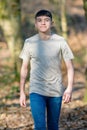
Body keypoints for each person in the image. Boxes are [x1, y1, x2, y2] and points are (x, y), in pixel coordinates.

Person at [19, 9, 74, 130]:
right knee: (40, 126)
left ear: (52, 23)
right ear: (35, 24)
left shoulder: (60, 41)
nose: (43, 23)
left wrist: (69, 88)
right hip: (36, 90)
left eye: (46, 20)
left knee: (53, 126)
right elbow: (24, 68)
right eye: (39, 20)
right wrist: (22, 92)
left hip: (56, 90)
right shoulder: (29, 42)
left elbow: (70, 67)